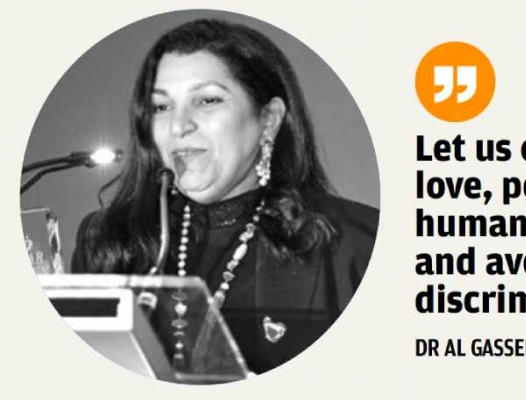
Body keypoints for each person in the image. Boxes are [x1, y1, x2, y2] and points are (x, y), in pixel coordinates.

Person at [71, 18, 378, 375]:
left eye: (207, 100)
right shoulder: (107, 243)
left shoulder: (357, 246)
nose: (178, 126)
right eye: (161, 107)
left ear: (268, 119)